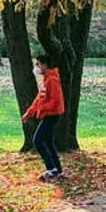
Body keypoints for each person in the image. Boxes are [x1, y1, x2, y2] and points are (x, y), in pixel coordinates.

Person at [21, 54, 65, 182]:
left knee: (38, 140)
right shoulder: (46, 80)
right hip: (48, 114)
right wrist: (29, 113)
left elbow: (56, 101)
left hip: (52, 115)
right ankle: (57, 169)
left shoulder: (52, 80)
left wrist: (42, 108)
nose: (36, 67)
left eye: (38, 64)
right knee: (48, 142)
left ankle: (51, 168)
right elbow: (38, 100)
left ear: (45, 65)